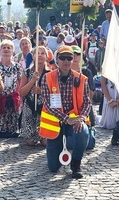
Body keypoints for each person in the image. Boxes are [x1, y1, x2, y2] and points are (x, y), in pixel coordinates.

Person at [40, 45, 91, 179]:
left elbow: (87, 102)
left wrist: (81, 118)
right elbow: (47, 103)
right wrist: (65, 118)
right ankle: (61, 149)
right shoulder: (47, 78)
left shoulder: (81, 79)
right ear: (57, 59)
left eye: (69, 58)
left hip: (74, 121)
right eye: (63, 58)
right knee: (53, 168)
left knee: (83, 132)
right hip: (55, 123)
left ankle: (76, 163)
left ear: (74, 60)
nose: (66, 61)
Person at [20, 46, 50, 146]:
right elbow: (21, 92)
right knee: (30, 142)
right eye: (37, 53)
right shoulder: (27, 72)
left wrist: (42, 91)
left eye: (42, 53)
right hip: (30, 106)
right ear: (32, 56)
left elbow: (55, 93)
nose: (40, 55)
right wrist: (32, 80)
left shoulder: (50, 73)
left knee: (45, 142)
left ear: (46, 56)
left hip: (45, 108)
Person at [0, 40, 22, 138]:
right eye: (4, 48)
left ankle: (12, 130)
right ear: (0, 51)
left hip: (13, 97)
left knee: (13, 115)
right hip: (0, 97)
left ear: (12, 51)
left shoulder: (17, 67)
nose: (6, 50)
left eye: (9, 48)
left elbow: (20, 81)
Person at [98, 61, 119, 129]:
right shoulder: (106, 69)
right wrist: (110, 100)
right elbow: (103, 84)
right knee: (109, 124)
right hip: (110, 96)